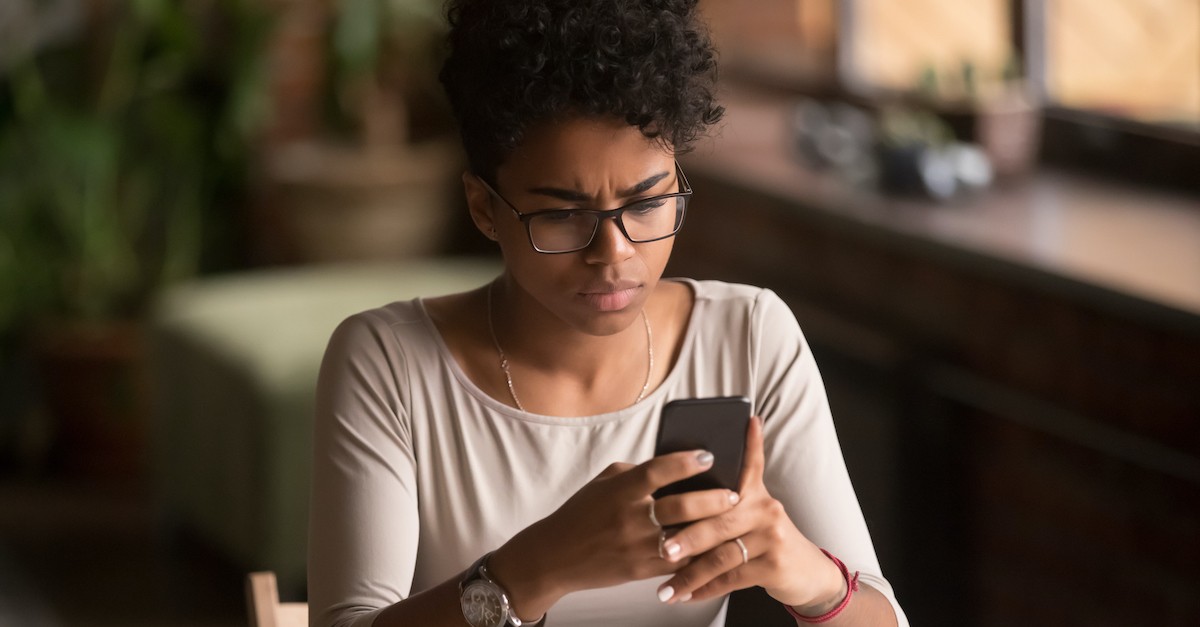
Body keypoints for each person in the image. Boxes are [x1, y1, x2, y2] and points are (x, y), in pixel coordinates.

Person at [307, 0, 907, 626]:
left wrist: (799, 568)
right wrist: (539, 566)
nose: (614, 253)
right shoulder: (389, 362)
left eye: (647, 203)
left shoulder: (749, 335)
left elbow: (881, 615)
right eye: (563, 215)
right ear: (484, 208)